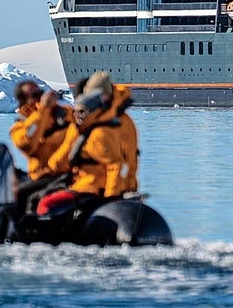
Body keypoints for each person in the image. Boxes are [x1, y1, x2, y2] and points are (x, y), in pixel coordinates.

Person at [41, 72, 138, 214]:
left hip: (94, 187)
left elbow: (118, 164)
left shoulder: (100, 130)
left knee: (44, 202)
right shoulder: (112, 121)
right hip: (101, 184)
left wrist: (112, 198)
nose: (78, 114)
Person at [9, 81, 70, 181]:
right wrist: (43, 110)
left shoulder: (62, 113)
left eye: (41, 93)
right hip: (43, 176)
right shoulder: (19, 127)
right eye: (35, 95)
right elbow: (27, 144)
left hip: (70, 174)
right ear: (24, 100)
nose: (40, 98)